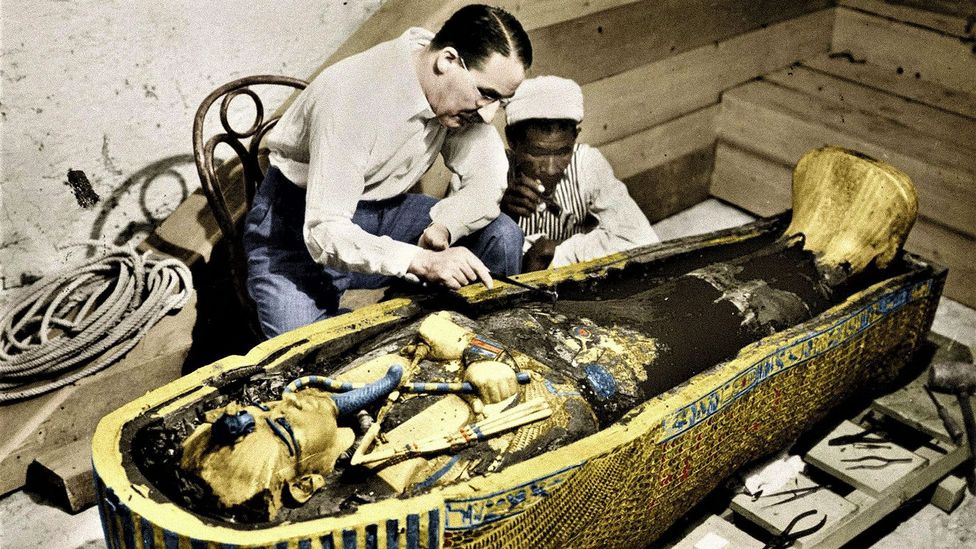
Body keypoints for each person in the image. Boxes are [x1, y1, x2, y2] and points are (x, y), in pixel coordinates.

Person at [243, 5, 532, 338]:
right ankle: (397, 330)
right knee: (306, 351)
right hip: (297, 229)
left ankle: (486, 345)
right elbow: (325, 232)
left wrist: (447, 225)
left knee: (502, 235)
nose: (488, 115)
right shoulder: (352, 95)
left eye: (501, 101)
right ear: (447, 60)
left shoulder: (449, 85)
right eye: (486, 95)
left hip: (383, 213)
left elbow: (488, 177)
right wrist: (420, 261)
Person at [499, 76, 659, 272]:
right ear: (512, 140)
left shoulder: (586, 163)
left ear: (575, 137)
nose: (551, 169)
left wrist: (556, 253)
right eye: (537, 152)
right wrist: (500, 216)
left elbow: (643, 240)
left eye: (563, 152)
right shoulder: (494, 169)